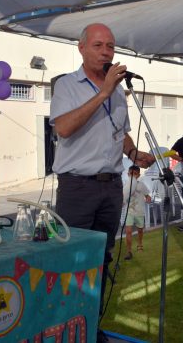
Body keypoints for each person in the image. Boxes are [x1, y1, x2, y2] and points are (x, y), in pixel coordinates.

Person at [50, 23, 155, 343]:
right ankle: (65, 330)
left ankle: (89, 327)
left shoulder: (119, 92)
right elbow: (64, 127)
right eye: (98, 45)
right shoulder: (67, 85)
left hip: (111, 187)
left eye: (110, 46)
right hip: (78, 187)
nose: (106, 52)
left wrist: (134, 153)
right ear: (81, 48)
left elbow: (119, 132)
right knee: (72, 260)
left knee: (102, 259)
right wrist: (104, 92)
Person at [122, 165, 151, 261]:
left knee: (140, 230)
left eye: (135, 174)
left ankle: (140, 243)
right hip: (129, 212)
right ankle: (129, 251)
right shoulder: (125, 185)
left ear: (138, 175)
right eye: (131, 174)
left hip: (139, 211)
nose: (133, 175)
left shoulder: (141, 185)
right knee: (128, 231)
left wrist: (148, 198)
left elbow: (147, 195)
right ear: (128, 174)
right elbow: (122, 197)